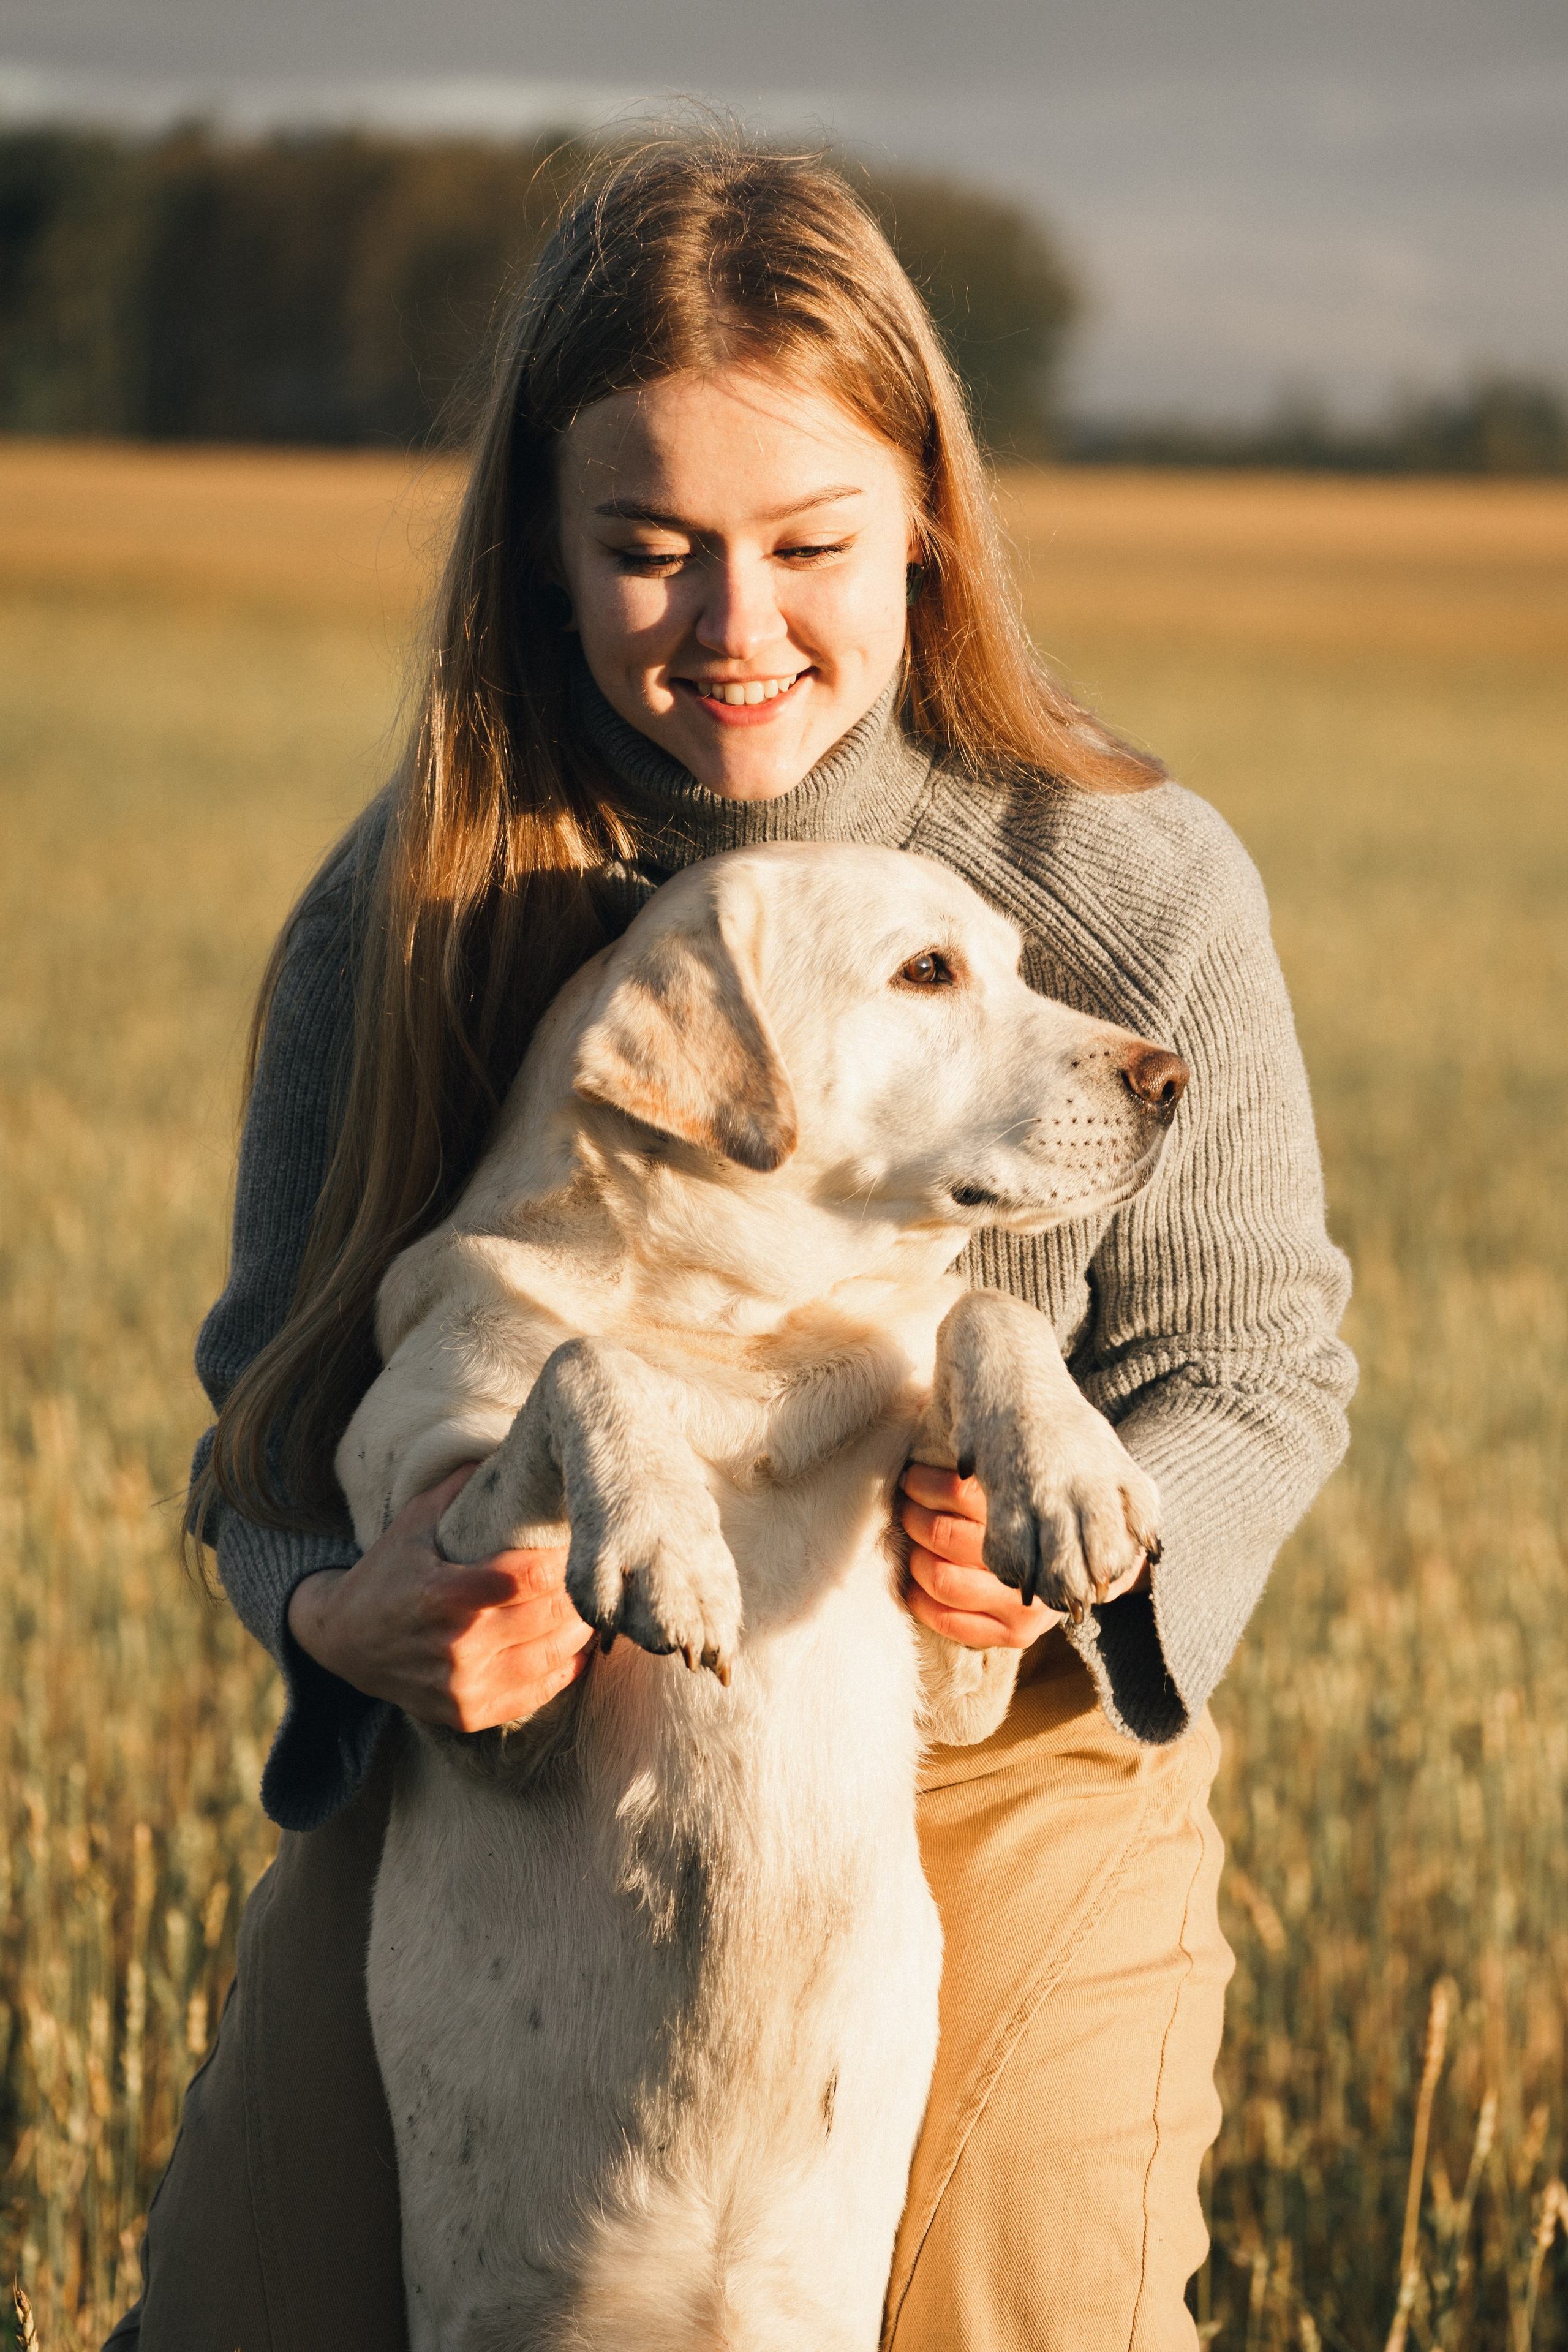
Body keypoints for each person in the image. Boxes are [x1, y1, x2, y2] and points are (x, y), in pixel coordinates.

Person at [108, 137, 1354, 2351]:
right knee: (249, 2309)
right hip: (517, 1761)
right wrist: (346, 1619)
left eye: (811, 543)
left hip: (993, 1736)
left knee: (1025, 2314)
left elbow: (1258, 1355)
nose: (736, 624)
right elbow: (270, 1417)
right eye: (650, 549)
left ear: (929, 525)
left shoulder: (1129, 888)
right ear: (541, 553)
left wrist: (1093, 1588)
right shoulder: (410, 915)